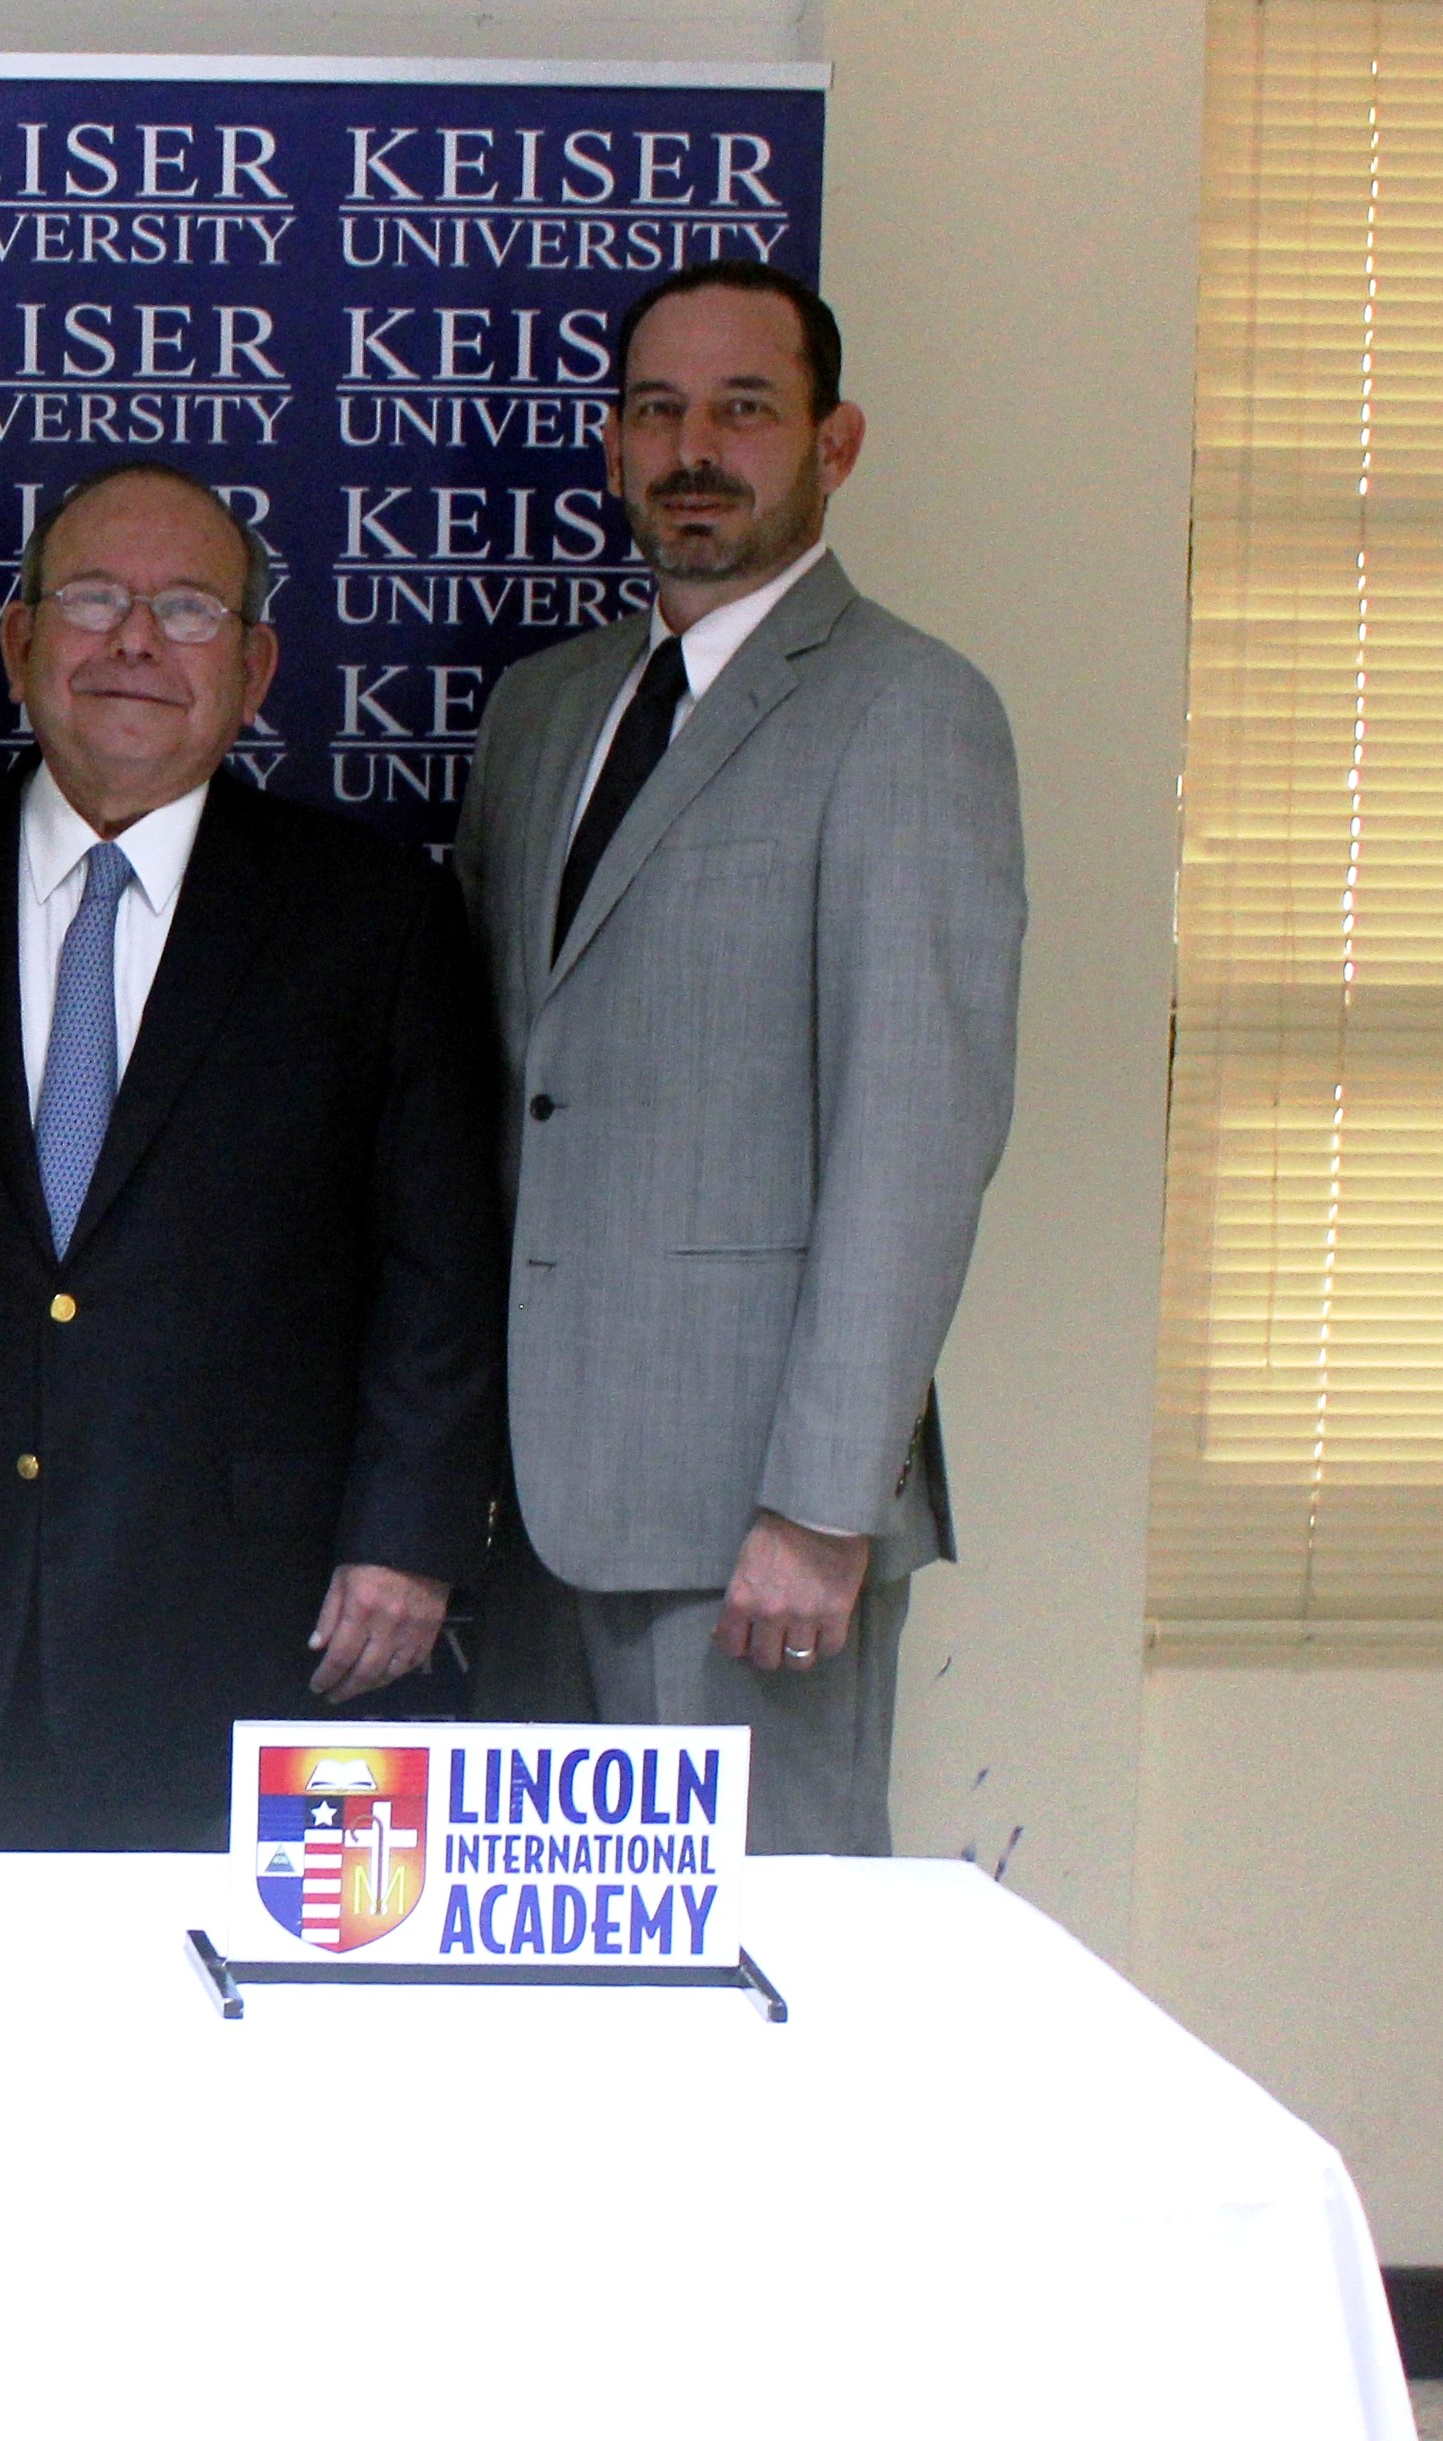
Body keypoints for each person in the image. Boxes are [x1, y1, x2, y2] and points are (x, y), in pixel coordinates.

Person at [0, 461, 505, 1850]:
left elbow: (439, 1254)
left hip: (250, 1619)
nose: (133, 641)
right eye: (91, 600)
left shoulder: (373, 915)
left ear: (255, 670)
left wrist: (409, 1532)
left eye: (186, 609)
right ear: (17, 641)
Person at [452, 261, 1021, 1854]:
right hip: (527, 1515)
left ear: (834, 443)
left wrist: (824, 1506)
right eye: (657, 411)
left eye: (743, 410)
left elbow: (915, 1143)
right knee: (532, 1972)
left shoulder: (909, 712)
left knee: (757, 1965)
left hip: (752, 1530)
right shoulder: (541, 713)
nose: (693, 449)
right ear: (615, 447)